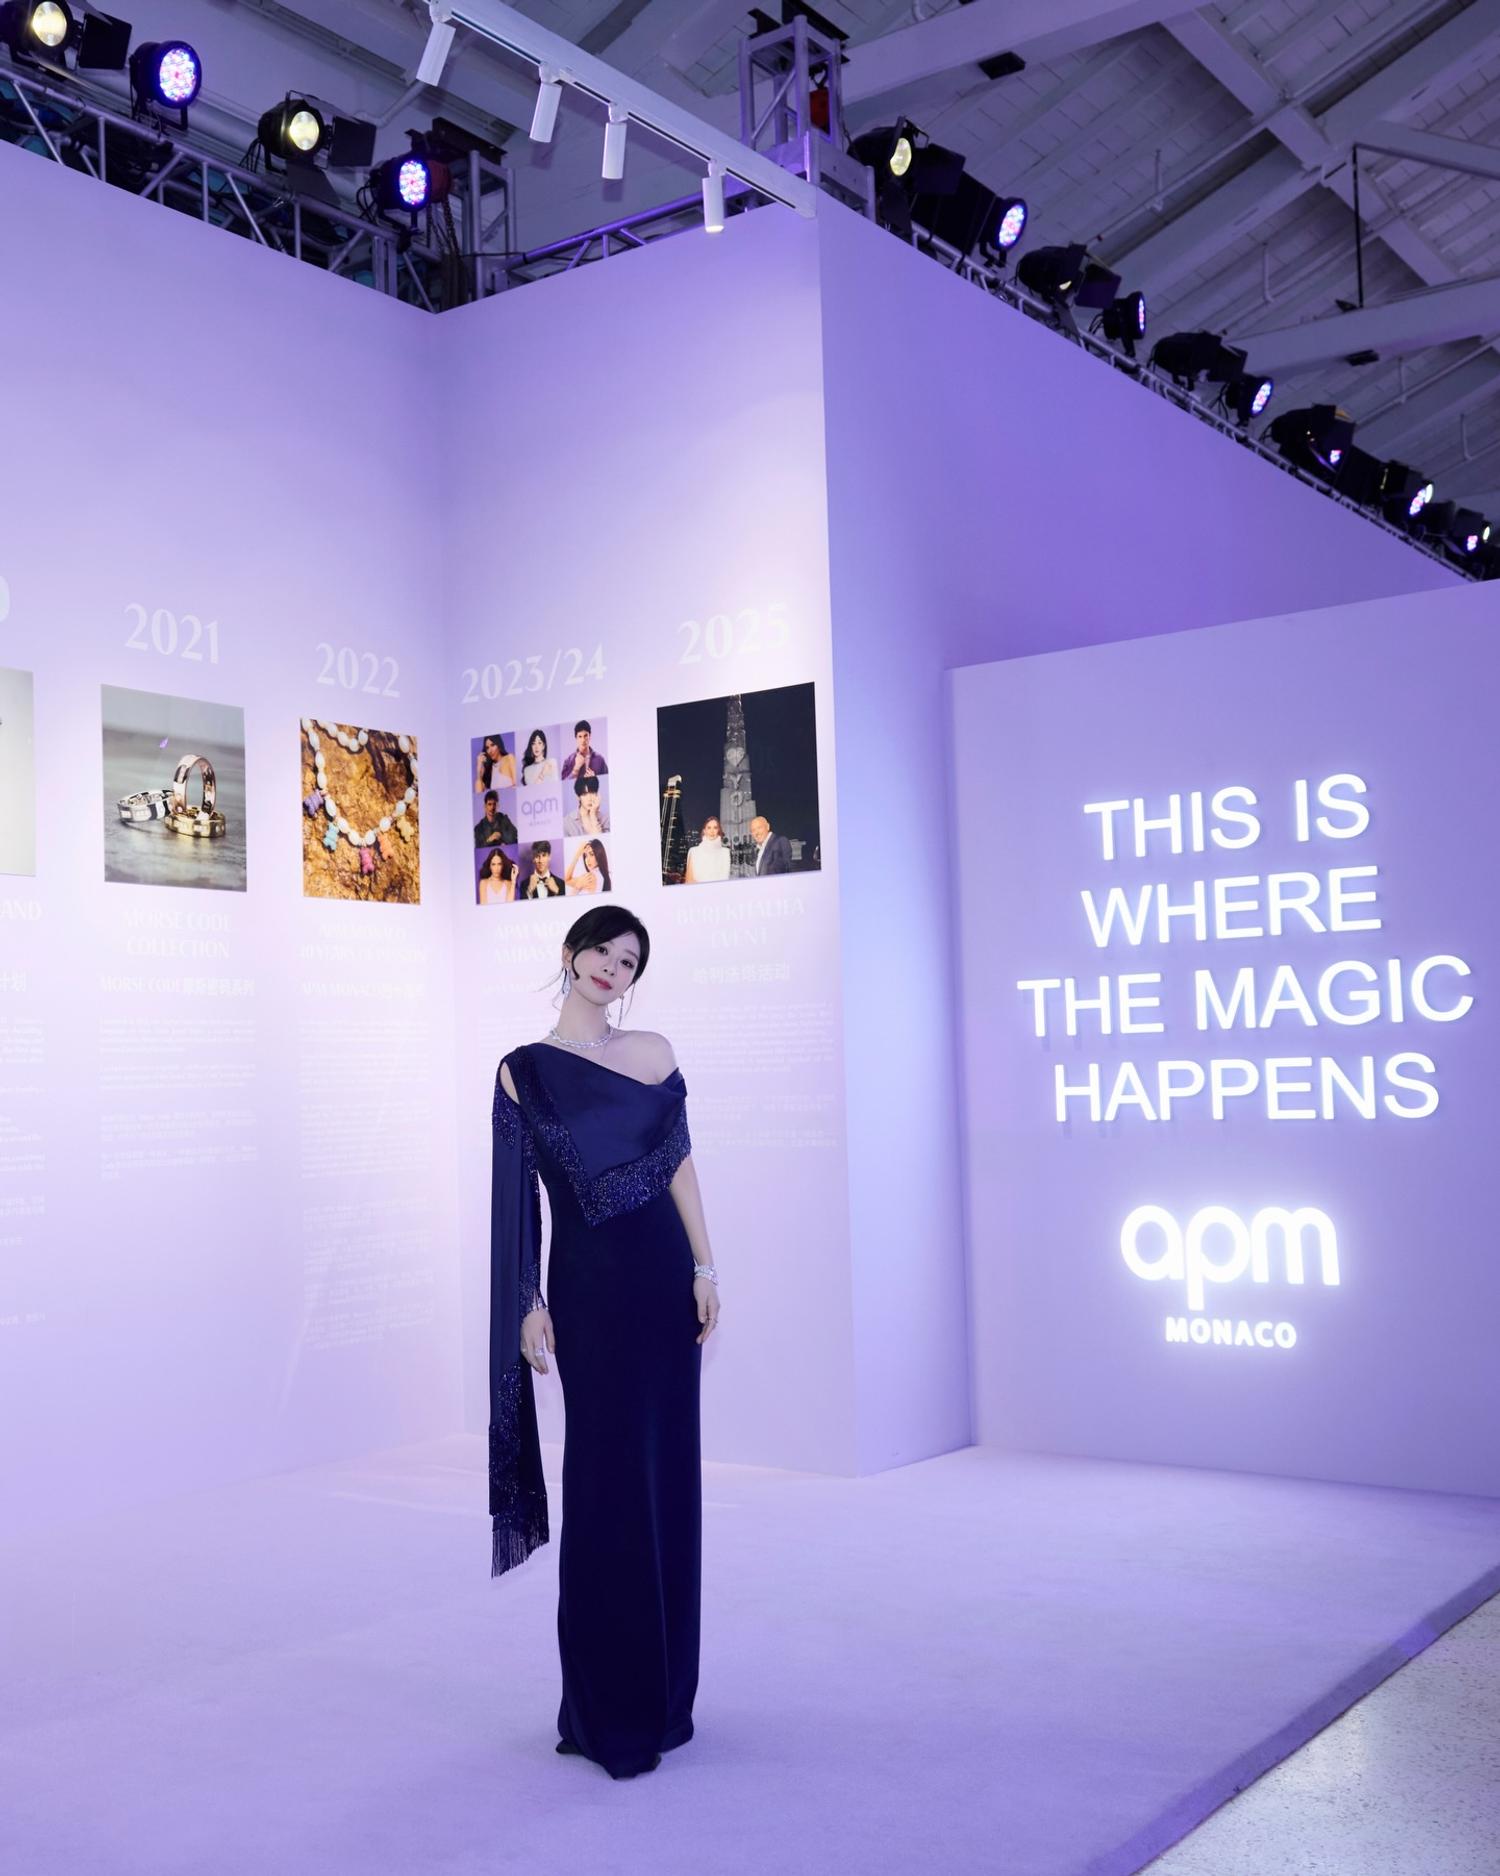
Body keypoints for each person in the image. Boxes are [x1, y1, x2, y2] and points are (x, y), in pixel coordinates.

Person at [489, 906, 720, 1780]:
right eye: (602, 951)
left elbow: (682, 1167)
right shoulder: (522, 1071)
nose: (612, 969)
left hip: (662, 1284)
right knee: (601, 1485)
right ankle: (602, 1708)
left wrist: (705, 1266)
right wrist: (528, 1300)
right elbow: (517, 1197)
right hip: (587, 1292)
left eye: (629, 962)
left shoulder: (653, 1053)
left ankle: (663, 1700)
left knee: (665, 1481)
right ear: (570, 953)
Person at [683, 817, 730, 884]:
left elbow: (725, 880)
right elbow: (689, 881)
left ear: (718, 831)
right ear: (704, 831)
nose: (712, 831)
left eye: (715, 828)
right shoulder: (694, 852)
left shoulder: (725, 852)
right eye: (709, 828)